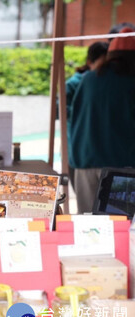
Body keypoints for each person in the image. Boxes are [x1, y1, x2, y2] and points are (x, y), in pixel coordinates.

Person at [68, 27, 135, 214]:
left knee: (88, 225)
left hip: (85, 161)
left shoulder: (89, 78)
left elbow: (76, 117)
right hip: (122, 164)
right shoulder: (130, 82)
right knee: (120, 226)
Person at [64, 41, 108, 190]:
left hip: (87, 150)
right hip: (79, 148)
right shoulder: (76, 83)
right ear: (90, 62)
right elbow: (62, 111)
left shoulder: (99, 81)